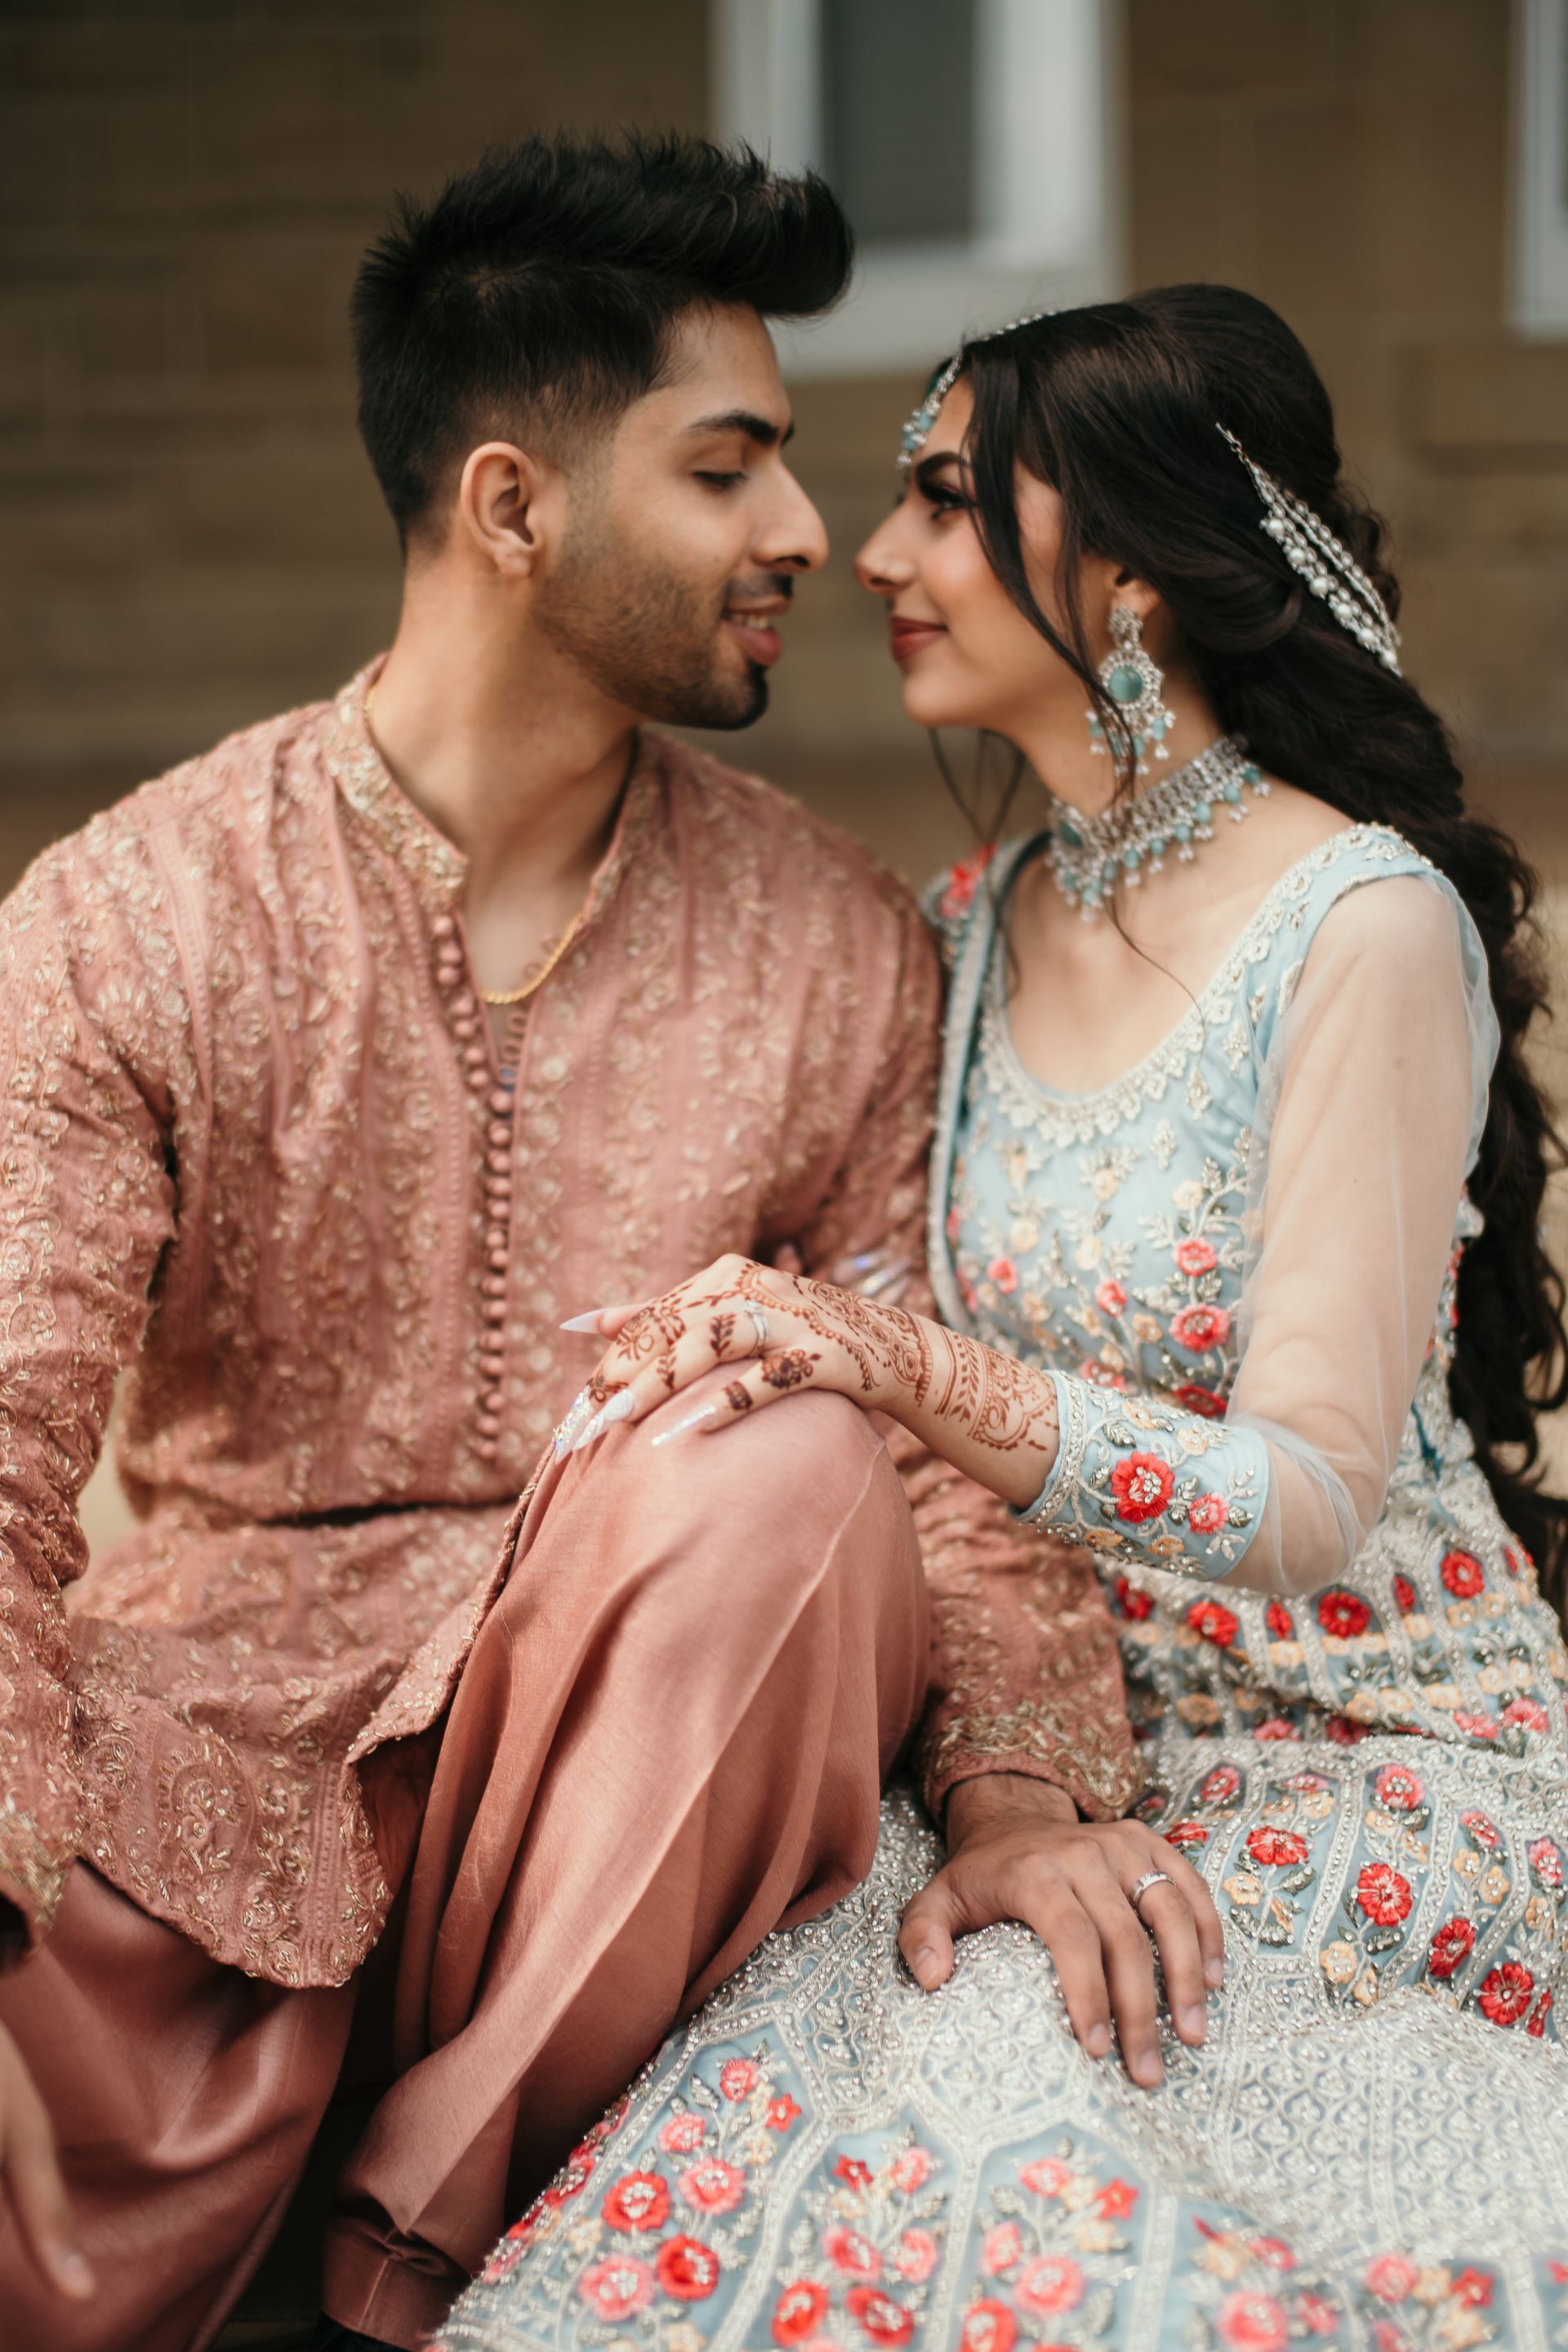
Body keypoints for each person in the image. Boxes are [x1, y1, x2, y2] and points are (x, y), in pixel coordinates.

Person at [0, 136, 1165, 2352]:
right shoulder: (133, 918)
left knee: (789, 1457)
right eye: (729, 467)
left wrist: (1015, 1802)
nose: (812, 535)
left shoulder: (829, 940)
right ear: (515, 510)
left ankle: (419, 2280)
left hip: (652, 1766)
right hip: (211, 1765)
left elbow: (936, 1442)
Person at [439, 287, 1568, 2349]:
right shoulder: (972, 930)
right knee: (782, 2087)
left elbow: (1314, 1496)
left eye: (946, 500)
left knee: (1044, 2116)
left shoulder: (1364, 928)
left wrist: (910, 1371)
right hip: (1037, 1734)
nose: (873, 555)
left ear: (1131, 574)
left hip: (1355, 1740)